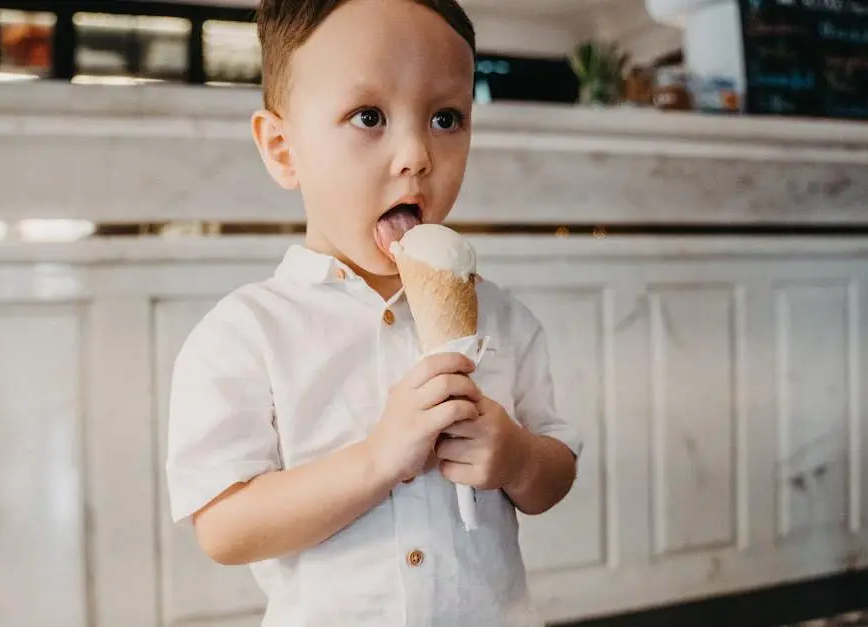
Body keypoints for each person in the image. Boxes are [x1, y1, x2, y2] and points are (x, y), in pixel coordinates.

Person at [166, 0, 583, 624]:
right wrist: (376, 459)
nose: (417, 154)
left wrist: (518, 459)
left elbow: (556, 471)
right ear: (283, 148)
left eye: (447, 118)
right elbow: (224, 528)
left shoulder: (503, 318)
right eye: (369, 116)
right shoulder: (246, 332)